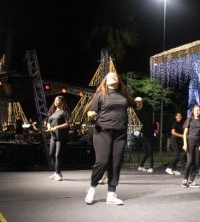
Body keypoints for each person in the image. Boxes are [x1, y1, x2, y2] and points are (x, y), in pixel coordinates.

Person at [84, 72, 142, 205]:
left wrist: (140, 101)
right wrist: (91, 114)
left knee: (115, 164)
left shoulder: (124, 95)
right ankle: (92, 189)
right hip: (102, 132)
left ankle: (111, 194)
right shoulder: (101, 94)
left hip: (120, 134)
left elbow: (137, 107)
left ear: (118, 80)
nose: (113, 77)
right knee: (102, 161)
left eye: (115, 76)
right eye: (110, 76)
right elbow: (90, 112)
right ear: (105, 81)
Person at [181, 105, 200, 188]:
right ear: (193, 111)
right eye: (195, 110)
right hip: (190, 143)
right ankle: (184, 180)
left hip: (198, 144)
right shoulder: (190, 120)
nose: (197, 112)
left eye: (198, 110)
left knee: (196, 163)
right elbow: (185, 134)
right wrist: (185, 144)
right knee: (190, 162)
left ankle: (191, 181)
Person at [47, 96, 70, 181]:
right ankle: (57, 172)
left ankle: (58, 173)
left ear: (62, 102)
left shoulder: (64, 112)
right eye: (55, 100)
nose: (56, 101)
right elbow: (48, 122)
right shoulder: (52, 112)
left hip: (61, 136)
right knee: (51, 154)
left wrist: (57, 127)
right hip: (53, 136)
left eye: (58, 100)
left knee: (58, 155)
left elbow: (68, 124)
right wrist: (49, 127)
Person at [137, 99, 160, 173]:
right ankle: (146, 166)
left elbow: (156, 123)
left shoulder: (149, 118)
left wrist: (157, 130)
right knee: (148, 153)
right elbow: (156, 124)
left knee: (148, 153)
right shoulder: (145, 118)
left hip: (148, 137)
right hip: (146, 137)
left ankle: (145, 166)